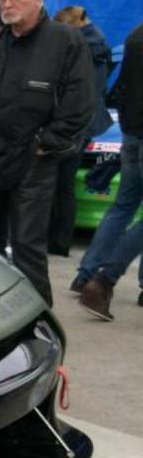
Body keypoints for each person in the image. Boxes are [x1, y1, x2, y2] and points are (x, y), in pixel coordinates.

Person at [0, 0, 94, 307]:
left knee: (27, 249)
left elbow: (80, 103)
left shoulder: (65, 41)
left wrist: (44, 145)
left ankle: (38, 326)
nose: (7, 4)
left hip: (32, 162)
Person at [77, 19, 143, 320]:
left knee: (123, 207)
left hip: (131, 132)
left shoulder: (135, 34)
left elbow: (121, 87)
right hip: (134, 131)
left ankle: (86, 273)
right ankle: (104, 279)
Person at [48, 6, 116, 255]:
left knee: (52, 184)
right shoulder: (100, 45)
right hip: (87, 122)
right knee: (65, 186)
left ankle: (49, 238)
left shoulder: (78, 48)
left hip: (72, 121)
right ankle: (61, 242)